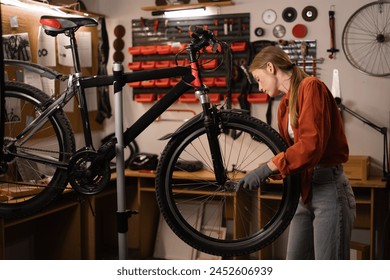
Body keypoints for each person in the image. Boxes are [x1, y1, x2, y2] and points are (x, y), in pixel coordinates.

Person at [238, 46, 356, 260]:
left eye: (258, 78)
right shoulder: (284, 104)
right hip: (302, 189)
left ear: (271, 68)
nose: (259, 87)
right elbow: (291, 153)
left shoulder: (311, 87)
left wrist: (267, 168)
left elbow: (311, 146)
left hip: (328, 189)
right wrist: (267, 172)